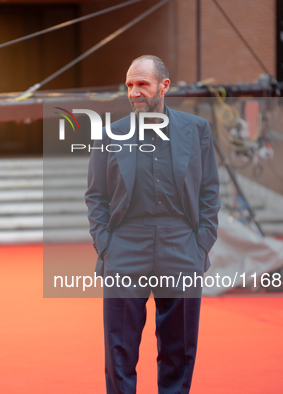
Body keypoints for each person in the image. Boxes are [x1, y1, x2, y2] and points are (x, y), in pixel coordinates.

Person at [85, 55, 220, 394]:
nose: (134, 92)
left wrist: (201, 243)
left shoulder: (197, 130)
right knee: (119, 349)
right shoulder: (109, 135)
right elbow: (96, 197)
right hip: (125, 246)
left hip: (181, 244)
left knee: (180, 348)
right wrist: (106, 246)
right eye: (129, 85)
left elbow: (210, 191)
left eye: (142, 84)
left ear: (164, 86)